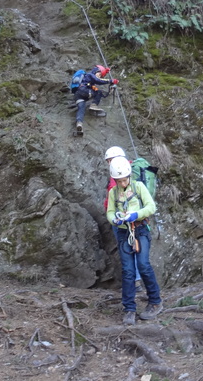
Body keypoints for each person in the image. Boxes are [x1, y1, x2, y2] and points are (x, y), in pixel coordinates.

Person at [106, 156, 162, 325]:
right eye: (119, 181)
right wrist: (115, 219)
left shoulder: (139, 187)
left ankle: (155, 302)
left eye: (124, 180)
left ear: (129, 176)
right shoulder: (113, 192)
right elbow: (109, 212)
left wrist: (135, 215)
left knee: (143, 265)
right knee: (128, 271)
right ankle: (129, 309)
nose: (123, 184)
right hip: (124, 233)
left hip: (141, 230)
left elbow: (151, 207)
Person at [103, 146, 142, 290]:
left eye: (109, 160)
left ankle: (134, 282)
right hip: (137, 217)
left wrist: (111, 214)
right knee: (135, 247)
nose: (109, 164)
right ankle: (136, 281)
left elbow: (112, 198)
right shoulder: (132, 170)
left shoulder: (119, 175)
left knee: (127, 250)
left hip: (122, 219)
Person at [73, 65, 118, 134]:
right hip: (84, 91)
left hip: (77, 95)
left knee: (81, 108)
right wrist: (111, 81)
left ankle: (79, 124)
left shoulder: (89, 82)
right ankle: (93, 105)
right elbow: (98, 81)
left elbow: (102, 94)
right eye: (99, 74)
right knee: (98, 92)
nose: (99, 76)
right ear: (95, 71)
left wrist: (109, 91)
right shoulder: (90, 75)